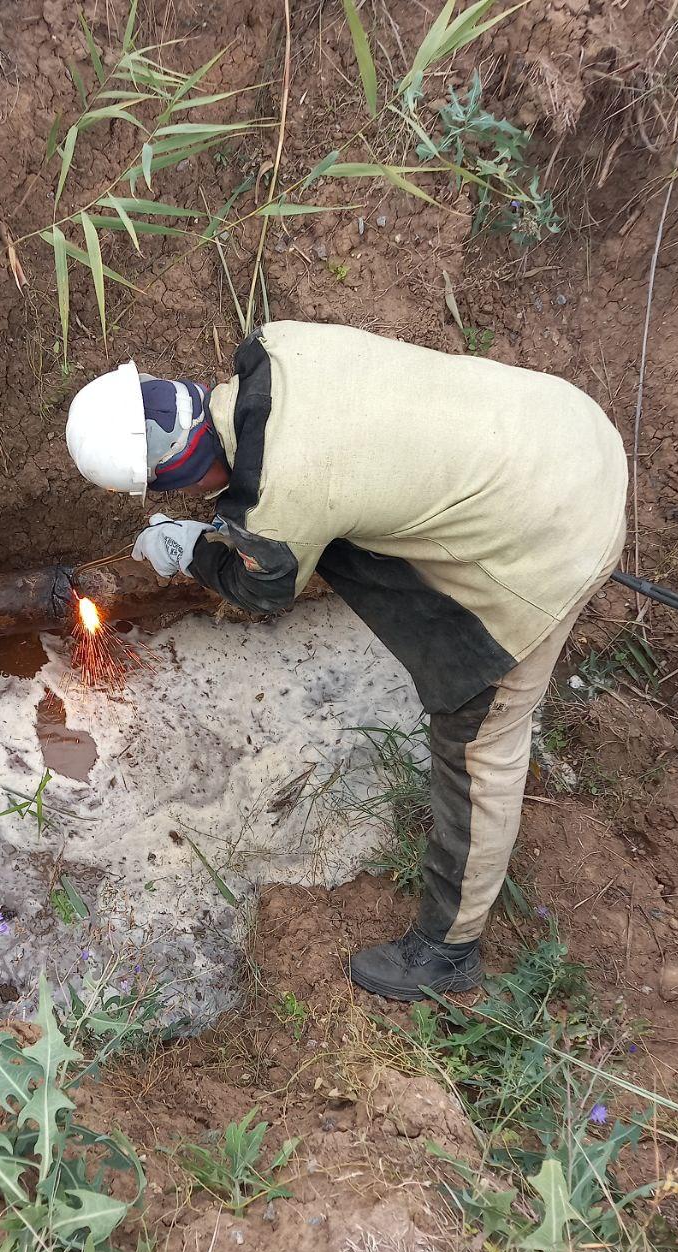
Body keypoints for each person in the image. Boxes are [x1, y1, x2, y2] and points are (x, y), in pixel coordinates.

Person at [64, 321, 627, 1000]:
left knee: (481, 741)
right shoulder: (277, 348)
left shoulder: (281, 498)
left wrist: (195, 551)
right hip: (561, 427)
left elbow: (264, 588)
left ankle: (448, 952)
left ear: (170, 476)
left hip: (554, 531)